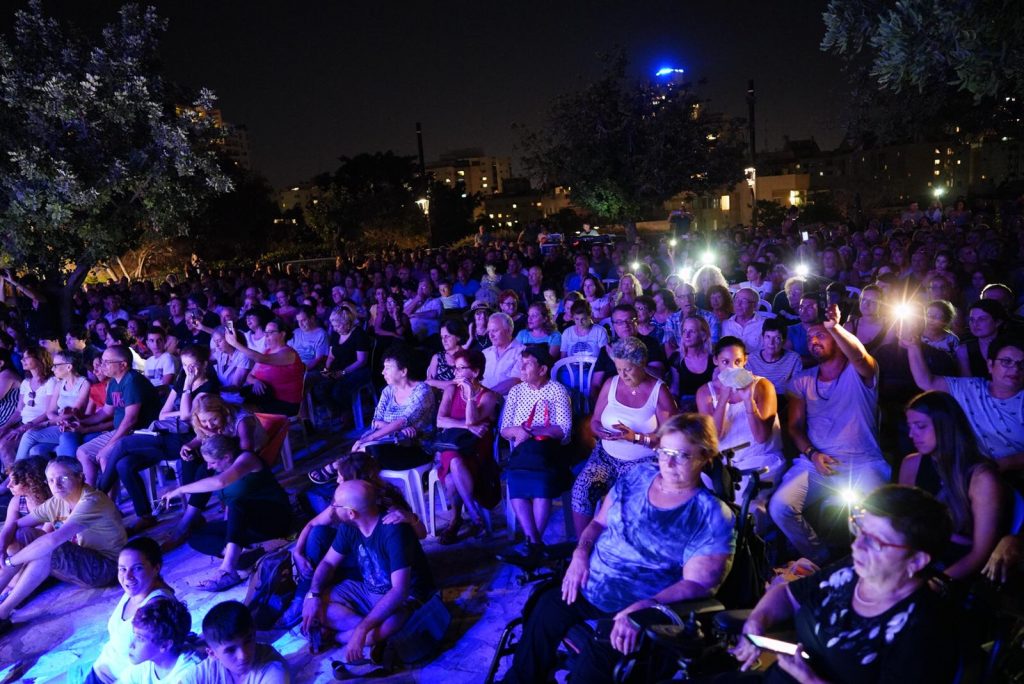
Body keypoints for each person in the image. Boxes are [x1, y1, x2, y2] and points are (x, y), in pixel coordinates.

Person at [502, 413, 735, 684]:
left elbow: (698, 584)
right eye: (665, 451)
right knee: (544, 610)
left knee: (594, 667)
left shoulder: (710, 513)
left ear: (705, 456)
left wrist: (647, 606)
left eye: (681, 455)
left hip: (638, 604)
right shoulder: (639, 476)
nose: (668, 463)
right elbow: (598, 523)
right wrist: (580, 554)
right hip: (591, 584)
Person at [731, 485, 959, 683]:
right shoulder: (852, 570)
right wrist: (756, 622)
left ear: (916, 560)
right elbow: (789, 595)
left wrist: (809, 679)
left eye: (875, 541)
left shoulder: (925, 629)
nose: (857, 545)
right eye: (859, 529)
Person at [769, 305, 890, 565]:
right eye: (810, 337)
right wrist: (813, 455)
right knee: (780, 507)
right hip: (816, 463)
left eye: (821, 335)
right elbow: (794, 427)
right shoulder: (802, 380)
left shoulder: (860, 373)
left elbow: (859, 357)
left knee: (875, 519)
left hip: (863, 463)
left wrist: (834, 327)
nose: (814, 340)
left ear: (837, 338)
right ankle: (822, 559)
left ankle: (868, 568)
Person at [301, 480, 440, 666]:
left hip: (406, 597)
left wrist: (361, 630)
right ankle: (373, 635)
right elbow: (328, 562)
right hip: (369, 591)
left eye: (336, 505)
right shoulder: (349, 527)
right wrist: (313, 595)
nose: (332, 508)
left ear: (351, 513)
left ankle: (341, 636)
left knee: (390, 624)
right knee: (312, 604)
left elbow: (399, 591)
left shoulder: (394, 529)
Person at [98, 345, 218, 533]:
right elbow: (164, 414)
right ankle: (145, 516)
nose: (189, 370)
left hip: (189, 439)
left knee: (123, 443)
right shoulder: (182, 380)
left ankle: (96, 497)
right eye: (185, 365)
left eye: (193, 365)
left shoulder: (208, 386)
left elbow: (186, 416)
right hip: (167, 434)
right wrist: (182, 411)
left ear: (204, 365)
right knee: (124, 464)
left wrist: (187, 388)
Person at [0, 457, 126, 635]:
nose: (56, 485)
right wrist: (2, 548)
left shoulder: (91, 500)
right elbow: (15, 525)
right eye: (51, 480)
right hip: (80, 562)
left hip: (107, 568)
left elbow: (53, 540)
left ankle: (3, 612)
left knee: (50, 547)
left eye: (63, 478)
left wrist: (11, 561)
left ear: (80, 476)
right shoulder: (57, 502)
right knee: (24, 534)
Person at [161, 434, 292, 592]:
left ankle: (228, 570)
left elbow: (220, 482)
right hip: (248, 523)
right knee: (195, 536)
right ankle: (246, 554)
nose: (209, 467)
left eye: (212, 462)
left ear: (227, 457)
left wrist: (180, 490)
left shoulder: (247, 459)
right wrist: (231, 531)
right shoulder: (220, 468)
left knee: (238, 504)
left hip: (275, 518)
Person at [897, 391, 1006, 580]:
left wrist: (938, 583)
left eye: (920, 426)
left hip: (956, 565)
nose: (911, 435)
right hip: (916, 555)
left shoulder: (981, 478)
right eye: (910, 426)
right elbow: (900, 523)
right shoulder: (910, 464)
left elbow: (980, 553)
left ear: (945, 426)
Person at [572, 336, 676, 534]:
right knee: (581, 491)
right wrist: (599, 431)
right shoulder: (611, 384)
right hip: (606, 457)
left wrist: (635, 437)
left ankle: (624, 546)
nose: (623, 375)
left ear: (642, 364)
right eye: (618, 369)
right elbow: (595, 421)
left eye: (628, 369)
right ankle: (582, 545)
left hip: (642, 462)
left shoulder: (659, 391)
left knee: (628, 503)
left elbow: (668, 438)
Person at [905, 333, 1024, 470]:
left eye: (1022, 364)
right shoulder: (970, 388)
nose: (1015, 369)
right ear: (990, 365)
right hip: (971, 474)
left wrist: (991, 468)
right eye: (1006, 362)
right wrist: (913, 346)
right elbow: (926, 382)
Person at [167, 393, 269, 548]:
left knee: (205, 470)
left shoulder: (241, 420)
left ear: (223, 411)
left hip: (252, 455)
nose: (209, 425)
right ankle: (193, 514)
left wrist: (214, 436)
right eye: (204, 421)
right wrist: (190, 445)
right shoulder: (206, 424)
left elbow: (246, 450)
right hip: (227, 452)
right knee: (189, 461)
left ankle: (186, 523)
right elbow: (202, 437)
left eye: (213, 419)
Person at [499, 346, 573, 557]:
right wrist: (518, 432)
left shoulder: (557, 390)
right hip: (522, 452)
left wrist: (532, 432)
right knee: (515, 478)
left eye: (527, 364)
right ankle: (535, 543)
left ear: (542, 369)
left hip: (549, 450)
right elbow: (504, 430)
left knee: (541, 481)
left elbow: (564, 430)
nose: (521, 368)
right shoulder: (516, 391)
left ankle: (532, 543)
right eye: (520, 364)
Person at [697, 336, 784, 506]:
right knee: (706, 498)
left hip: (761, 459)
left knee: (741, 501)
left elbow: (761, 437)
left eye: (737, 362)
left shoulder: (763, 386)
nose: (732, 368)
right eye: (725, 362)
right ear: (716, 361)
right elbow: (715, 437)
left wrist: (748, 400)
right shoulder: (705, 392)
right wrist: (723, 399)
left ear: (745, 360)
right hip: (725, 462)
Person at [80, 537, 174, 684]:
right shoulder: (136, 591)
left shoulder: (157, 608)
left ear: (156, 568)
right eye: (122, 569)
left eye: (137, 568)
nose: (127, 577)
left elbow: (153, 662)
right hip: (98, 672)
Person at [435, 348, 500, 544]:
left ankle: (455, 520)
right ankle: (473, 513)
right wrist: (466, 426)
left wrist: (470, 394)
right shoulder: (451, 389)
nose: (456, 373)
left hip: (476, 448)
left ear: (476, 371)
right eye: (455, 368)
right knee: (454, 460)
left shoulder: (489, 396)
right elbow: (440, 420)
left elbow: (473, 419)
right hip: (452, 444)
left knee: (451, 478)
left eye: (461, 368)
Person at [72, 345, 160, 487]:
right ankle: (91, 495)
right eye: (102, 361)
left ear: (123, 365)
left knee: (106, 456)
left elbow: (130, 420)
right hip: (122, 432)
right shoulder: (113, 382)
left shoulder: (132, 381)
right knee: (83, 452)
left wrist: (108, 446)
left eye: (107, 362)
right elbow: (105, 412)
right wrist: (81, 420)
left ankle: (107, 500)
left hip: (140, 433)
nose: (102, 366)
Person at [350, 345, 436, 471]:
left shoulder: (422, 391)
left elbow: (402, 421)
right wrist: (397, 431)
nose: (383, 372)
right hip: (389, 443)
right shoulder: (388, 391)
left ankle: (336, 469)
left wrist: (370, 438)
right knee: (362, 452)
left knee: (366, 451)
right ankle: (339, 470)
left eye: (388, 368)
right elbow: (376, 422)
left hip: (418, 449)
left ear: (403, 371)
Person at [180, 600, 290, 683]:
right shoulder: (209, 669)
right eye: (230, 650)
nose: (243, 655)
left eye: (247, 641)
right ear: (212, 654)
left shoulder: (274, 671)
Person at [16, 349, 90, 460]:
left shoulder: (84, 384)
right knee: (36, 450)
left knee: (30, 434)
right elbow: (50, 411)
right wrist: (57, 420)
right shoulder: (59, 384)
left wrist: (48, 423)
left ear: (69, 367)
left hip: (72, 426)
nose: (52, 369)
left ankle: (15, 469)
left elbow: (74, 412)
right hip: (58, 424)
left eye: (56, 365)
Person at [228, 318, 305, 416]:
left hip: (284, 403)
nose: (266, 335)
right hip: (264, 397)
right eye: (266, 332)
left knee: (240, 411)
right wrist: (255, 381)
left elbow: (261, 359)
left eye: (271, 332)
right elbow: (249, 376)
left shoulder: (289, 354)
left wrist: (236, 344)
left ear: (282, 334)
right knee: (230, 403)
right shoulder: (266, 351)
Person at [120, 598, 201, 684]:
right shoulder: (146, 660)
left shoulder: (188, 676)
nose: (131, 645)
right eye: (134, 635)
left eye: (140, 638)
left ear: (165, 645)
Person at [314, 306, 371, 427]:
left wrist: (344, 372)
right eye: (334, 326)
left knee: (338, 391)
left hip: (357, 370)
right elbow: (331, 356)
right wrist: (326, 369)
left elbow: (361, 361)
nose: (335, 329)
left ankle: (348, 415)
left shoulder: (359, 334)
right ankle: (339, 413)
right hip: (339, 369)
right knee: (320, 388)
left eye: (338, 326)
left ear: (347, 323)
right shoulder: (336, 335)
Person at [0, 345, 55, 470]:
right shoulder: (26, 382)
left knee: (4, 446)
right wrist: (5, 427)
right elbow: (19, 410)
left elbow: (48, 412)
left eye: (26, 357)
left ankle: (15, 477)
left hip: (40, 425)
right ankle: (10, 475)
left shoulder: (51, 382)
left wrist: (24, 427)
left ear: (39, 359)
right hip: (23, 423)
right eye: (22, 358)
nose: (22, 360)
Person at [745, 318, 803, 399]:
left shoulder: (794, 359)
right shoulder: (751, 359)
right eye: (768, 337)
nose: (771, 343)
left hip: (784, 401)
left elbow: (796, 391)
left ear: (784, 341)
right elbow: (747, 388)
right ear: (762, 338)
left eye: (777, 338)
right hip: (757, 400)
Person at [671, 315, 714, 411]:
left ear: (703, 335)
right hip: (684, 409)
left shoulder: (713, 360)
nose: (687, 335)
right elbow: (674, 390)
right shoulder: (676, 358)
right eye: (684, 331)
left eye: (692, 331)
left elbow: (716, 391)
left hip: (708, 407)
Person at [955, 299, 1007, 379]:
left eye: (982, 319)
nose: (975, 324)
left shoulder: (1013, 347)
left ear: (997, 322)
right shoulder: (963, 350)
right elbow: (967, 382)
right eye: (972, 320)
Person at [481, 312, 524, 395]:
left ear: (509, 331)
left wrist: (487, 396)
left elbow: (516, 381)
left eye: (495, 331)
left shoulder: (522, 352)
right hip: (482, 400)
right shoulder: (485, 353)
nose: (491, 335)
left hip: (506, 401)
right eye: (489, 331)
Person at [210, 325, 253, 403]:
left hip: (237, 399)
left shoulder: (243, 356)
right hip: (221, 396)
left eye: (219, 341)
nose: (216, 345)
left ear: (229, 339)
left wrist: (214, 389)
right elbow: (205, 358)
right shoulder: (221, 353)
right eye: (215, 341)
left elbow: (235, 387)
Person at [722, 288, 768, 355]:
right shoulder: (725, 324)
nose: (738, 304)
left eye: (744, 301)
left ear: (755, 305)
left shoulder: (765, 324)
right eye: (736, 300)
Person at [426, 319, 468, 392]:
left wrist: (435, 383)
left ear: (458, 337)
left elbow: (463, 384)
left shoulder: (467, 357)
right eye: (442, 337)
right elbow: (428, 383)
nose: (444, 340)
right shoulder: (437, 357)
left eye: (447, 336)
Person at [288, 305, 329, 374]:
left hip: (310, 370)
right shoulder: (295, 332)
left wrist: (301, 370)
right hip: (294, 367)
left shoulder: (321, 334)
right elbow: (287, 351)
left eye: (303, 320)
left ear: (312, 318)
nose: (300, 324)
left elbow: (319, 359)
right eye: (298, 321)